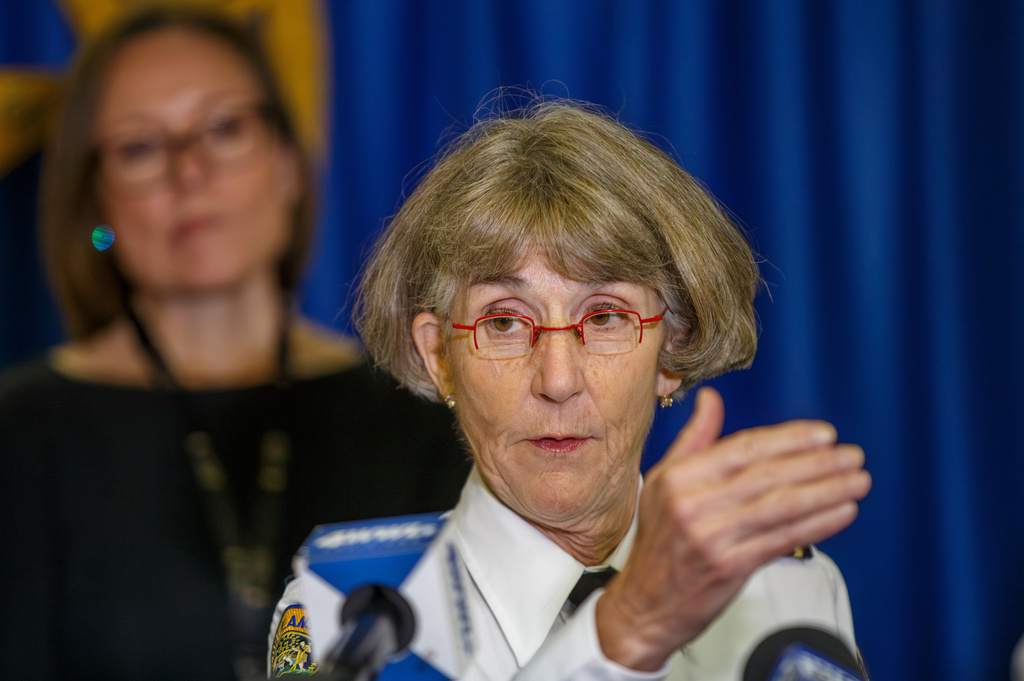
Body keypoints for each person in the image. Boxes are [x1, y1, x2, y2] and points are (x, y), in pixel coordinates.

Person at [272, 97, 872, 680]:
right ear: (440, 357)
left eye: (606, 317)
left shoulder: (782, 589)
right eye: (503, 321)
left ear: (673, 348)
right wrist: (621, 634)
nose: (558, 380)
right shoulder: (352, 615)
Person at [0, 6, 469, 681]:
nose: (189, 171)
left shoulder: (423, 415)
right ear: (95, 203)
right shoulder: (20, 432)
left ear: (288, 163)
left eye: (224, 128)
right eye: (139, 147)